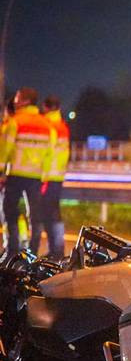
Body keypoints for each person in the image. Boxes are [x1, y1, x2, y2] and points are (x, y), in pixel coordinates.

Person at [0, 88, 55, 255]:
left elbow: (5, 150)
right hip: (36, 176)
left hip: (16, 174)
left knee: (9, 211)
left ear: (25, 101)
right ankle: (33, 252)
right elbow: (50, 154)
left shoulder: (15, 122)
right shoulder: (47, 125)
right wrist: (45, 176)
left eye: (17, 98)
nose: (15, 102)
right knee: (35, 216)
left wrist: (1, 171)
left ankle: (12, 250)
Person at [29, 96, 69, 255]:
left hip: (46, 176)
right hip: (58, 175)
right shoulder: (63, 126)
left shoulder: (48, 125)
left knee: (45, 214)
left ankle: (54, 251)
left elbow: (47, 153)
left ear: (45, 107)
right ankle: (57, 250)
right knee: (53, 212)